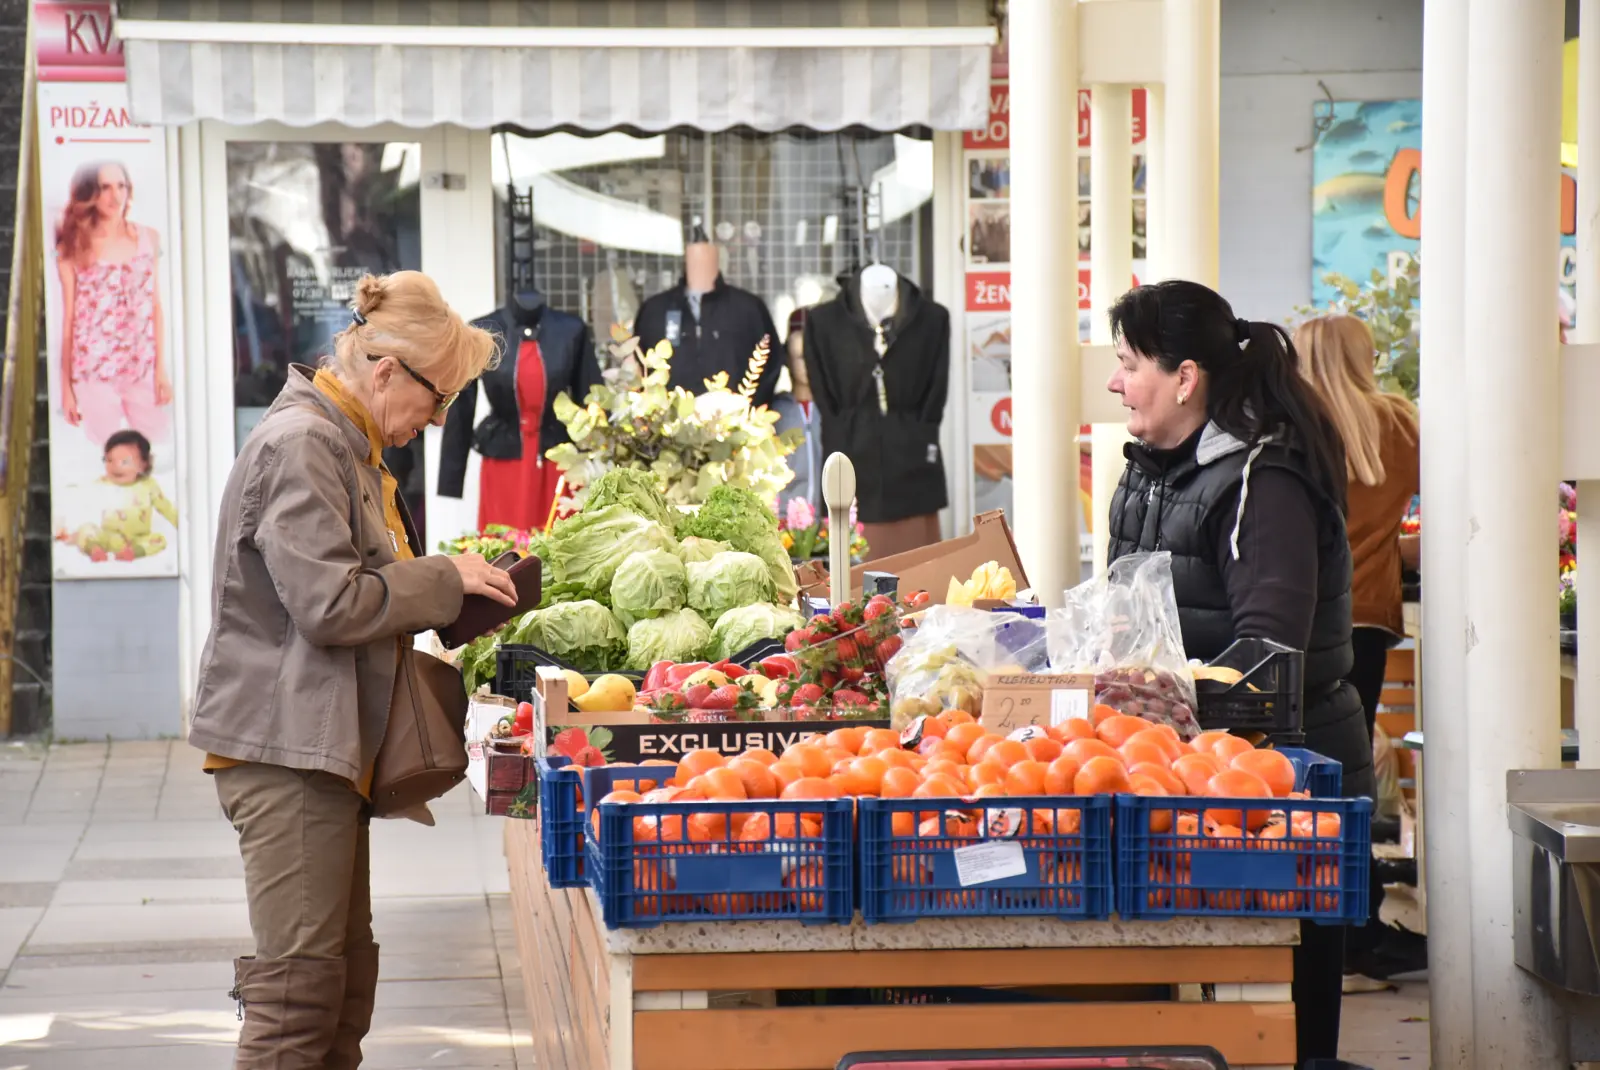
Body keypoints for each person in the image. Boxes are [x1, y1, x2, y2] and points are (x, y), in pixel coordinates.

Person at [187, 271, 517, 1069]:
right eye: (436, 401)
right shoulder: (304, 444)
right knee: (297, 1002)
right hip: (284, 753)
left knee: (338, 992)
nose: (436, 422)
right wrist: (444, 578)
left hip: (315, 750)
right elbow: (329, 604)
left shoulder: (344, 443)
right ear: (386, 373)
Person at [1104, 280, 1373, 1067]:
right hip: (1191, 771)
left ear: (1185, 377)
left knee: (1283, 1027)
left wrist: (1157, 701)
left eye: (1128, 364)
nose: (1116, 381)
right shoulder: (1150, 469)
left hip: (1279, 777)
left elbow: (1268, 656)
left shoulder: (1267, 482)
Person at [1294, 313, 1426, 985]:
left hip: (1304, 619)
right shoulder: (1401, 425)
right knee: (1351, 774)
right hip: (1369, 617)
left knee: (1303, 772)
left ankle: (1326, 920)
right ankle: (1360, 925)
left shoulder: (1294, 431)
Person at [55, 161, 173, 447]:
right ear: (89, 194)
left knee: (158, 444)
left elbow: (154, 306)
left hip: (141, 368)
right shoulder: (74, 248)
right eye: (104, 187)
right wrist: (66, 388)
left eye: (121, 186)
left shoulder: (148, 238)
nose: (114, 195)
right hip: (94, 373)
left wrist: (160, 370)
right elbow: (69, 320)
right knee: (103, 451)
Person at [56, 429, 178, 562]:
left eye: (124, 462)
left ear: (143, 465)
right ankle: (94, 550)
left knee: (159, 540)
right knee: (86, 530)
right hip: (107, 537)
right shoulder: (102, 483)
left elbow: (166, 508)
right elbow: (80, 502)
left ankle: (133, 553)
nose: (115, 467)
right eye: (109, 460)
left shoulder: (148, 486)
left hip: (137, 538)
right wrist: (66, 528)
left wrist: (184, 524)